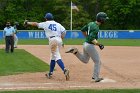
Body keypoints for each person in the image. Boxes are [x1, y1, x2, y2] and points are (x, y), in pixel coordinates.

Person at [24, 12, 70, 81]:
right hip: (59, 40)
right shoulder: (58, 24)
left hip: (52, 40)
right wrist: (61, 39)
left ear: (46, 18)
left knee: (56, 56)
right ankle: (50, 73)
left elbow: (36, 24)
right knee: (53, 56)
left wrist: (28, 23)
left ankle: (64, 70)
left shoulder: (46, 23)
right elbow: (64, 31)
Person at [65, 12, 109, 82]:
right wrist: (99, 44)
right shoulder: (96, 27)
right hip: (89, 45)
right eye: (104, 19)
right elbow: (91, 38)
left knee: (85, 60)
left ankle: (75, 52)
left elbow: (82, 30)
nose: (105, 20)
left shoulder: (91, 23)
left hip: (85, 44)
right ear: (101, 19)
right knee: (97, 62)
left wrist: (87, 37)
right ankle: (95, 77)